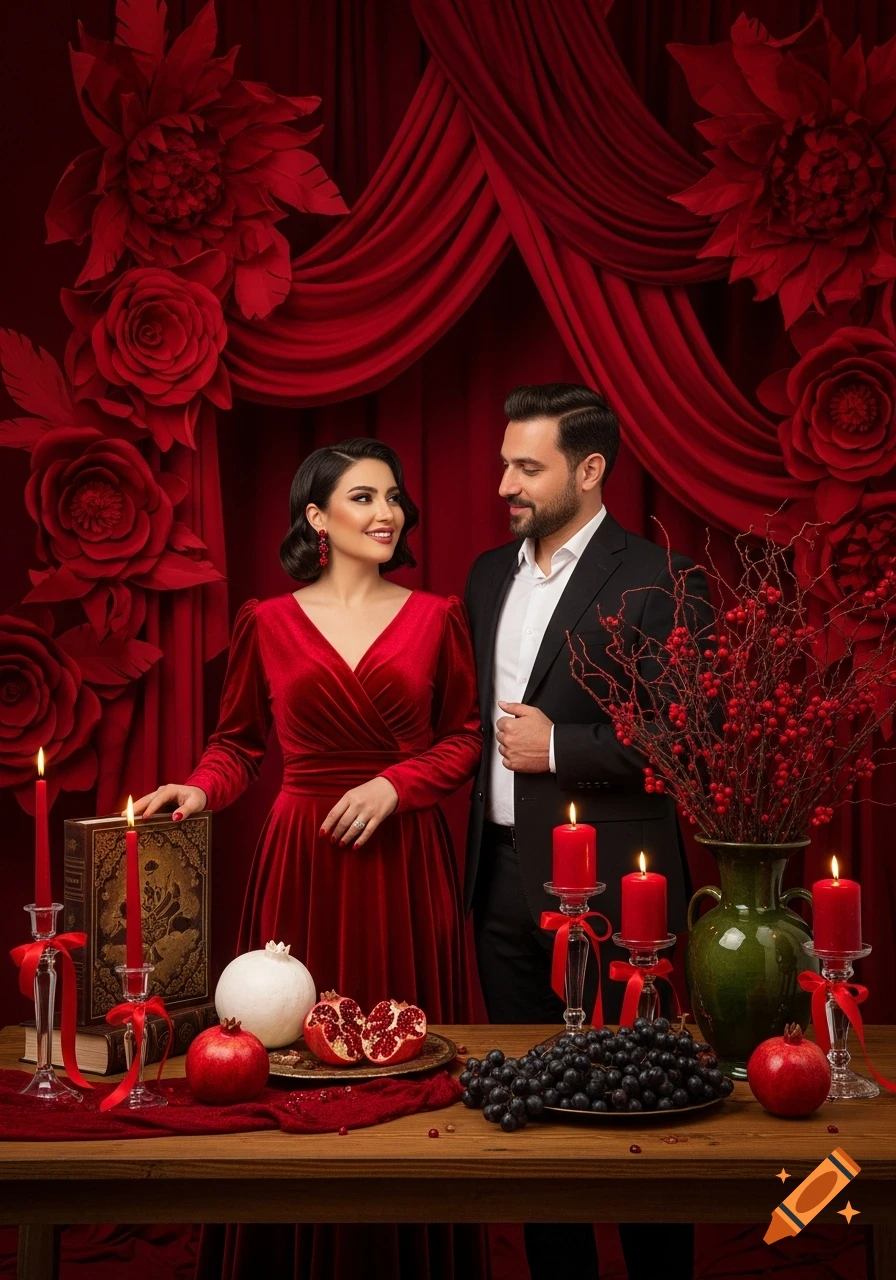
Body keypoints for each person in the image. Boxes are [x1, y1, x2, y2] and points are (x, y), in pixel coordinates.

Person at [134, 437, 486, 1280]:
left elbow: (466, 738)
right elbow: (237, 746)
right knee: (285, 1064)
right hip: (300, 860)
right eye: (363, 497)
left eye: (394, 497)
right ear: (316, 517)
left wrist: (397, 786)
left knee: (411, 1069)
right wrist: (198, 789)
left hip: (404, 864)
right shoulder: (266, 620)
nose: (387, 513)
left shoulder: (439, 616)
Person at [464, 384, 710, 1280]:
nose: (505, 484)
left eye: (526, 467)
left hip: (616, 893)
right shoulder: (488, 575)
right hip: (496, 884)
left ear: (590, 469)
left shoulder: (660, 578)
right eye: (504, 462)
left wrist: (559, 745)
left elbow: (692, 738)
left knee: (638, 1106)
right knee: (533, 1111)